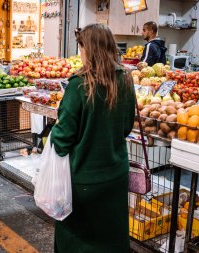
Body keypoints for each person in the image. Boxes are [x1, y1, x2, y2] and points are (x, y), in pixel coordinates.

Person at [51, 24, 135, 253]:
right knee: (111, 237)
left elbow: (63, 138)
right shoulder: (126, 79)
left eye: (81, 47)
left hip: (83, 179)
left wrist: (51, 138)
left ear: (88, 49)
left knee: (77, 239)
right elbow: (127, 125)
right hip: (116, 175)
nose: (80, 53)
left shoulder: (79, 85)